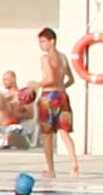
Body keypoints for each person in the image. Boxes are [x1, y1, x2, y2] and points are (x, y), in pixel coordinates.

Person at [33, 28, 78, 177]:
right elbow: (71, 79)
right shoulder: (63, 58)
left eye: (43, 41)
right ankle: (74, 162)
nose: (41, 45)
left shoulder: (45, 58)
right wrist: (61, 87)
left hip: (48, 97)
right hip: (62, 96)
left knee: (47, 135)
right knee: (64, 132)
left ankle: (51, 169)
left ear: (52, 41)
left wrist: (35, 85)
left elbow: (50, 78)